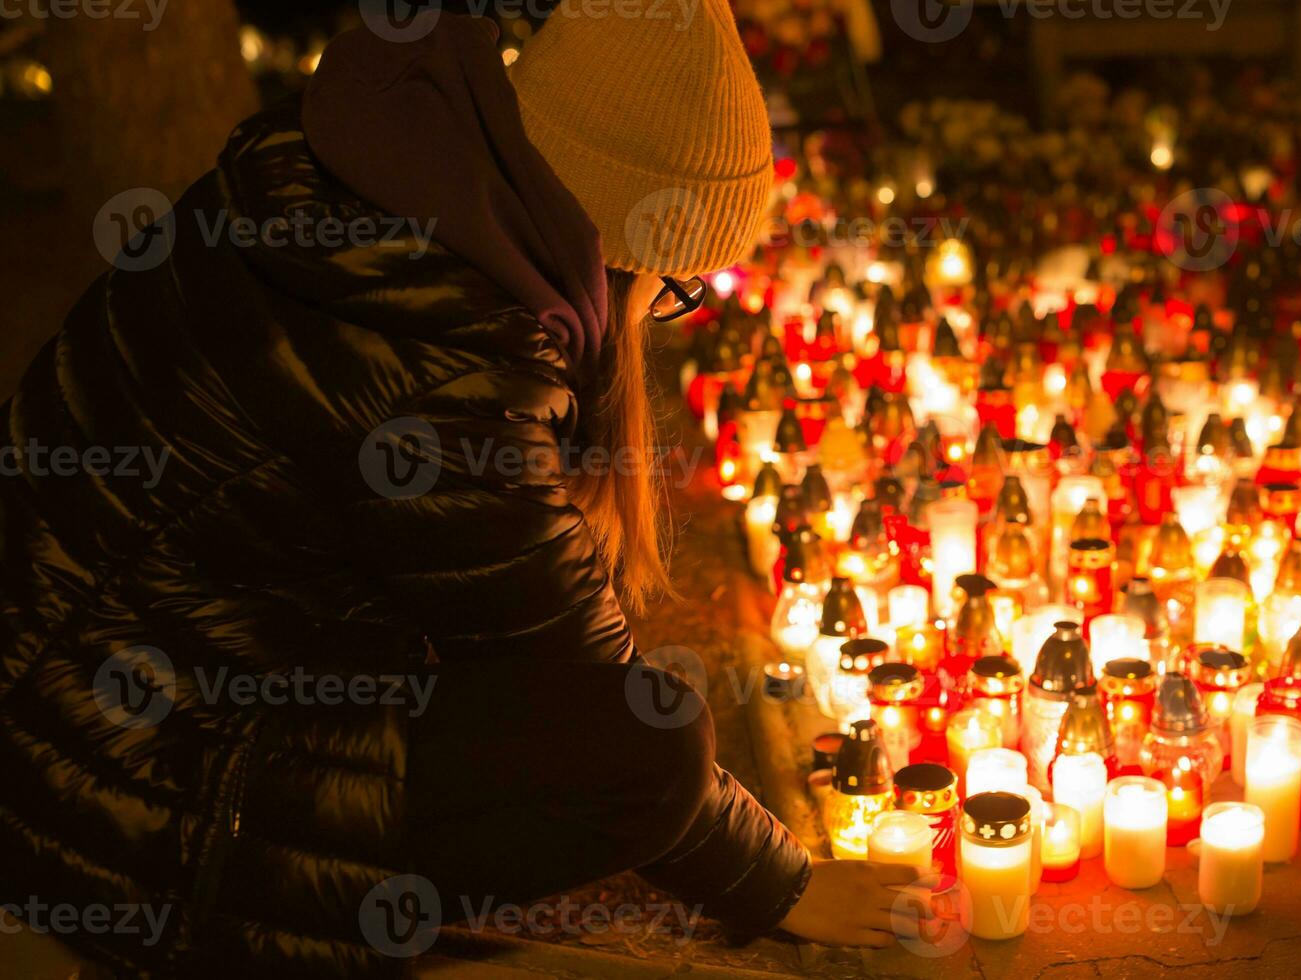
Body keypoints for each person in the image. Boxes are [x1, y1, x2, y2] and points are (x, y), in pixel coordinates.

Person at [0, 5, 920, 974]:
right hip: (112, 789)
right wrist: (780, 882)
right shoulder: (447, 360)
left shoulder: (338, 174)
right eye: (675, 285)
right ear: (616, 241)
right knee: (644, 756)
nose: (665, 311)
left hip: (66, 682)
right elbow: (574, 680)